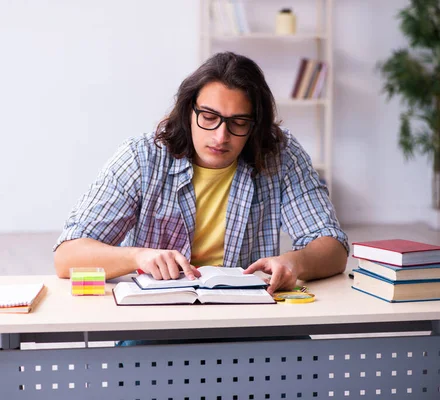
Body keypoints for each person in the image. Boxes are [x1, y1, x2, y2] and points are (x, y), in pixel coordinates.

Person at [53, 52, 348, 294]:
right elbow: (67, 257)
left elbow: (332, 247)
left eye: (239, 122)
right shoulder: (141, 156)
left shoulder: (280, 154)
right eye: (209, 118)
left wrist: (293, 263)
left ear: (256, 125)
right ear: (188, 112)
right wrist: (138, 256)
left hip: (249, 316)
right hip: (159, 319)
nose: (221, 136)